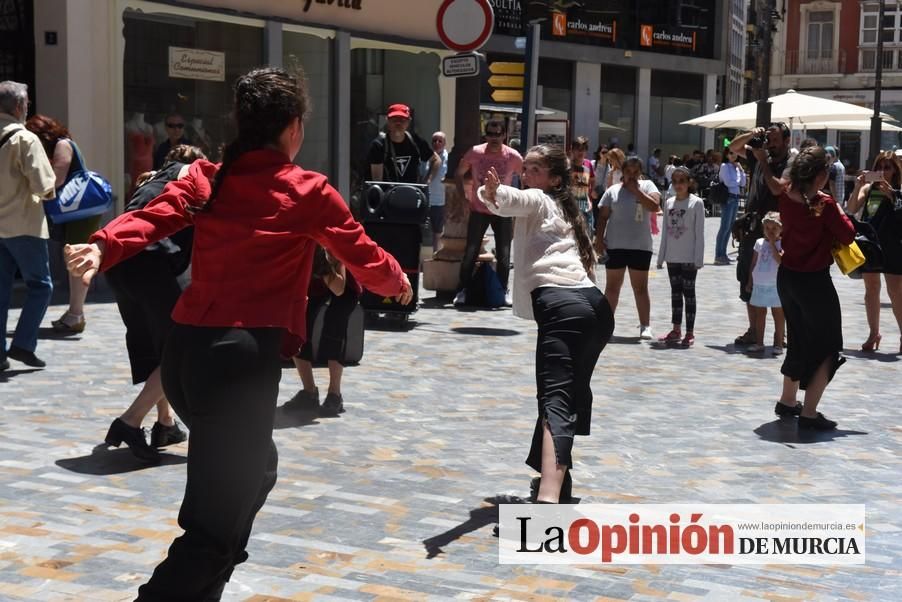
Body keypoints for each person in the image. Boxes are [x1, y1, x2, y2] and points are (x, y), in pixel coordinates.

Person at [64, 67, 412, 600]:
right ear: (294, 127)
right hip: (236, 364)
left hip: (185, 358)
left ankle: (207, 580)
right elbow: (361, 254)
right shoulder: (305, 189)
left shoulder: (210, 175)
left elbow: (153, 214)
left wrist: (104, 244)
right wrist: (398, 281)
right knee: (212, 531)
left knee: (257, 473)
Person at [479, 144, 614, 505]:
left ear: (554, 179)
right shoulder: (565, 211)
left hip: (564, 308)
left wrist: (494, 192)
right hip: (594, 309)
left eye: (535, 169)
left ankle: (547, 505)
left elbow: (513, 199)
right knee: (567, 399)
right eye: (525, 168)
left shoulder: (539, 200)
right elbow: (509, 200)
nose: (527, 175)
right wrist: (493, 195)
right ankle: (556, 487)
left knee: (555, 401)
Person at [102, 145, 206, 464]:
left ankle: (165, 424)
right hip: (149, 263)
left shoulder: (153, 180)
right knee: (180, 348)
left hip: (119, 261)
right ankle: (130, 421)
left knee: (157, 345)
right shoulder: (191, 185)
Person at [776, 146, 855, 429]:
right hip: (814, 281)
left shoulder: (786, 195)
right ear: (821, 175)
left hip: (787, 277)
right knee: (829, 346)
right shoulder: (824, 203)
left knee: (797, 337)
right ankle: (809, 412)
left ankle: (787, 400)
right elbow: (848, 234)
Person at [25, 114, 103, 335]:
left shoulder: (62, 144)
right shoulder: (62, 145)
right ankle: (75, 313)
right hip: (75, 212)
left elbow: (57, 180)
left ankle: (75, 314)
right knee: (74, 260)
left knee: (76, 260)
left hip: (79, 212)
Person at [0, 81, 57, 371]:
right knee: (41, 286)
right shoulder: (25, 139)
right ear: (20, 106)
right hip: (23, 225)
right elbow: (43, 185)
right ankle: (23, 344)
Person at [728, 122, 794, 347]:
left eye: (775, 140)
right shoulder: (759, 154)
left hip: (777, 232)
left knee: (777, 283)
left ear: (787, 141)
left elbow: (778, 188)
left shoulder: (789, 163)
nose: (770, 144)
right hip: (753, 228)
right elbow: (733, 147)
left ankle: (779, 334)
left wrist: (763, 161)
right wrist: (750, 134)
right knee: (749, 277)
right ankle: (754, 330)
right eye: (769, 139)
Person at [283, 246, 360, 418]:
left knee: (334, 324)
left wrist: (323, 262)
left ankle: (335, 395)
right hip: (311, 282)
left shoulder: (331, 240)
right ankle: (309, 392)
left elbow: (339, 288)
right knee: (297, 324)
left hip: (343, 283)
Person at [453, 119, 523, 306]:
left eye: (498, 134)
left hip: (503, 211)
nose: (494, 138)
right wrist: (463, 197)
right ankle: (462, 290)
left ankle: (502, 290)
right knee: (471, 251)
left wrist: (521, 203)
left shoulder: (513, 156)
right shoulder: (475, 152)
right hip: (479, 208)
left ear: (504, 135)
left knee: (504, 253)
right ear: (485, 135)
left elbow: (526, 178)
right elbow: (459, 173)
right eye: (490, 134)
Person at [595, 157, 661, 339]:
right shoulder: (612, 191)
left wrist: (637, 192)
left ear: (640, 172)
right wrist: (599, 240)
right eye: (628, 171)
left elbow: (655, 206)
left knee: (640, 287)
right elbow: (602, 217)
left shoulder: (648, 186)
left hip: (640, 246)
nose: (631, 175)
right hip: (615, 245)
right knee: (612, 288)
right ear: (622, 172)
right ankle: (605, 326)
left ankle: (645, 325)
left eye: (635, 172)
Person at [845, 151, 902, 353]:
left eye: (887, 167)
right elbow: (851, 208)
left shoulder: (899, 190)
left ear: (895, 170)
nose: (882, 172)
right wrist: (858, 186)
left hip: (894, 245)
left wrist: (893, 195)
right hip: (870, 243)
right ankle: (873, 333)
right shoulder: (869, 188)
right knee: (871, 289)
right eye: (879, 167)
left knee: (895, 292)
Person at [656, 166, 705, 348]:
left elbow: (699, 233)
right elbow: (665, 234)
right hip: (672, 257)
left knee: (689, 293)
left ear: (689, 182)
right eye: (675, 181)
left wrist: (698, 258)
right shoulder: (668, 203)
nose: (678, 185)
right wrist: (661, 256)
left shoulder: (696, 203)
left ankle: (690, 332)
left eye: (682, 181)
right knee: (675, 293)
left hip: (689, 257)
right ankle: (676, 329)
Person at [745, 211, 785, 355]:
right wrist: (750, 281)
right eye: (767, 228)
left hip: (776, 285)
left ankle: (779, 343)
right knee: (760, 313)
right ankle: (759, 342)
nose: (770, 231)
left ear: (781, 229)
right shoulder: (759, 243)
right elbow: (754, 262)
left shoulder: (782, 243)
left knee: (778, 314)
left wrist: (774, 244)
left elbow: (780, 260)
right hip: (760, 284)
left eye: (774, 228)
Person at [367, 103, 439, 184]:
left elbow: (436, 160)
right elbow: (377, 182)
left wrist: (427, 180)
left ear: (408, 122)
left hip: (413, 193)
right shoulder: (379, 145)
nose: (398, 123)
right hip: (387, 194)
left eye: (402, 120)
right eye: (394, 119)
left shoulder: (415, 141)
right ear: (388, 121)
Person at [714, 148, 747, 265]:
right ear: (727, 154)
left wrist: (741, 170)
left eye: (736, 154)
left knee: (729, 227)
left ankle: (724, 253)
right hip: (728, 198)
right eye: (731, 153)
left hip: (736, 197)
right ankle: (718, 255)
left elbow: (743, 183)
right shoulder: (724, 166)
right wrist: (737, 181)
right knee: (724, 226)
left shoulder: (737, 167)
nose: (734, 156)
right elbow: (729, 183)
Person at [568, 136, 596, 236]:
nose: (581, 152)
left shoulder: (588, 166)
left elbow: (592, 180)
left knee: (588, 235)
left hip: (585, 206)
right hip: (571, 207)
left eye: (583, 149)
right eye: (578, 149)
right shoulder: (567, 167)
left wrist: (590, 194)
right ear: (572, 150)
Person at [428, 131, 449, 250]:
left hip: (440, 202)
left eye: (440, 141)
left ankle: (436, 258)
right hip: (426, 201)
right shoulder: (427, 157)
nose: (437, 143)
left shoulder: (448, 159)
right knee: (425, 234)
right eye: (434, 141)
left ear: (445, 143)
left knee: (438, 234)